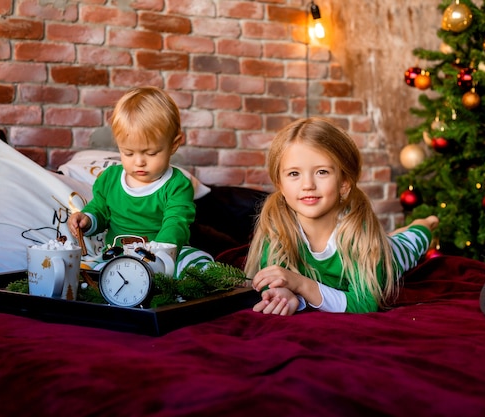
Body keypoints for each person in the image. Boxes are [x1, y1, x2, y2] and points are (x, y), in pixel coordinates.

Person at [244, 117, 438, 315]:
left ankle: (424, 223)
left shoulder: (360, 234)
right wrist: (282, 292)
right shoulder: (277, 227)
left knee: (410, 241)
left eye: (321, 172)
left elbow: (363, 304)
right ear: (280, 185)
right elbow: (274, 278)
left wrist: (301, 284)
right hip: (375, 246)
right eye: (294, 174)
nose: (307, 185)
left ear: (344, 182)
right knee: (390, 240)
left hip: (387, 255)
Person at [68, 86, 212, 276]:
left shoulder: (177, 185)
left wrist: (158, 251)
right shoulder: (110, 179)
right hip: (117, 254)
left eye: (151, 153)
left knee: (198, 261)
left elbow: (176, 222)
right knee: (88, 268)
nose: (139, 162)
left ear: (174, 144)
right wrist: (87, 219)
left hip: (164, 255)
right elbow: (100, 209)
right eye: (128, 153)